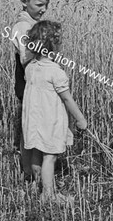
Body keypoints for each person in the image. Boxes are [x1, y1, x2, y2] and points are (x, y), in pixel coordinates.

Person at [22, 20, 87, 202]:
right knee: (49, 157)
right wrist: (80, 119)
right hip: (49, 121)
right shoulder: (56, 72)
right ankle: (48, 194)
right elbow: (67, 98)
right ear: (54, 46)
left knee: (36, 152)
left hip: (33, 121)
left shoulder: (30, 68)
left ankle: (36, 185)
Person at [11, 0, 53, 177]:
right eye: (39, 4)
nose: (44, 9)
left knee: (34, 127)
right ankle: (29, 170)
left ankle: (33, 170)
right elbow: (26, 58)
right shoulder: (22, 27)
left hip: (35, 84)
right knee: (31, 129)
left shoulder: (31, 24)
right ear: (24, 2)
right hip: (28, 84)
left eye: (46, 4)